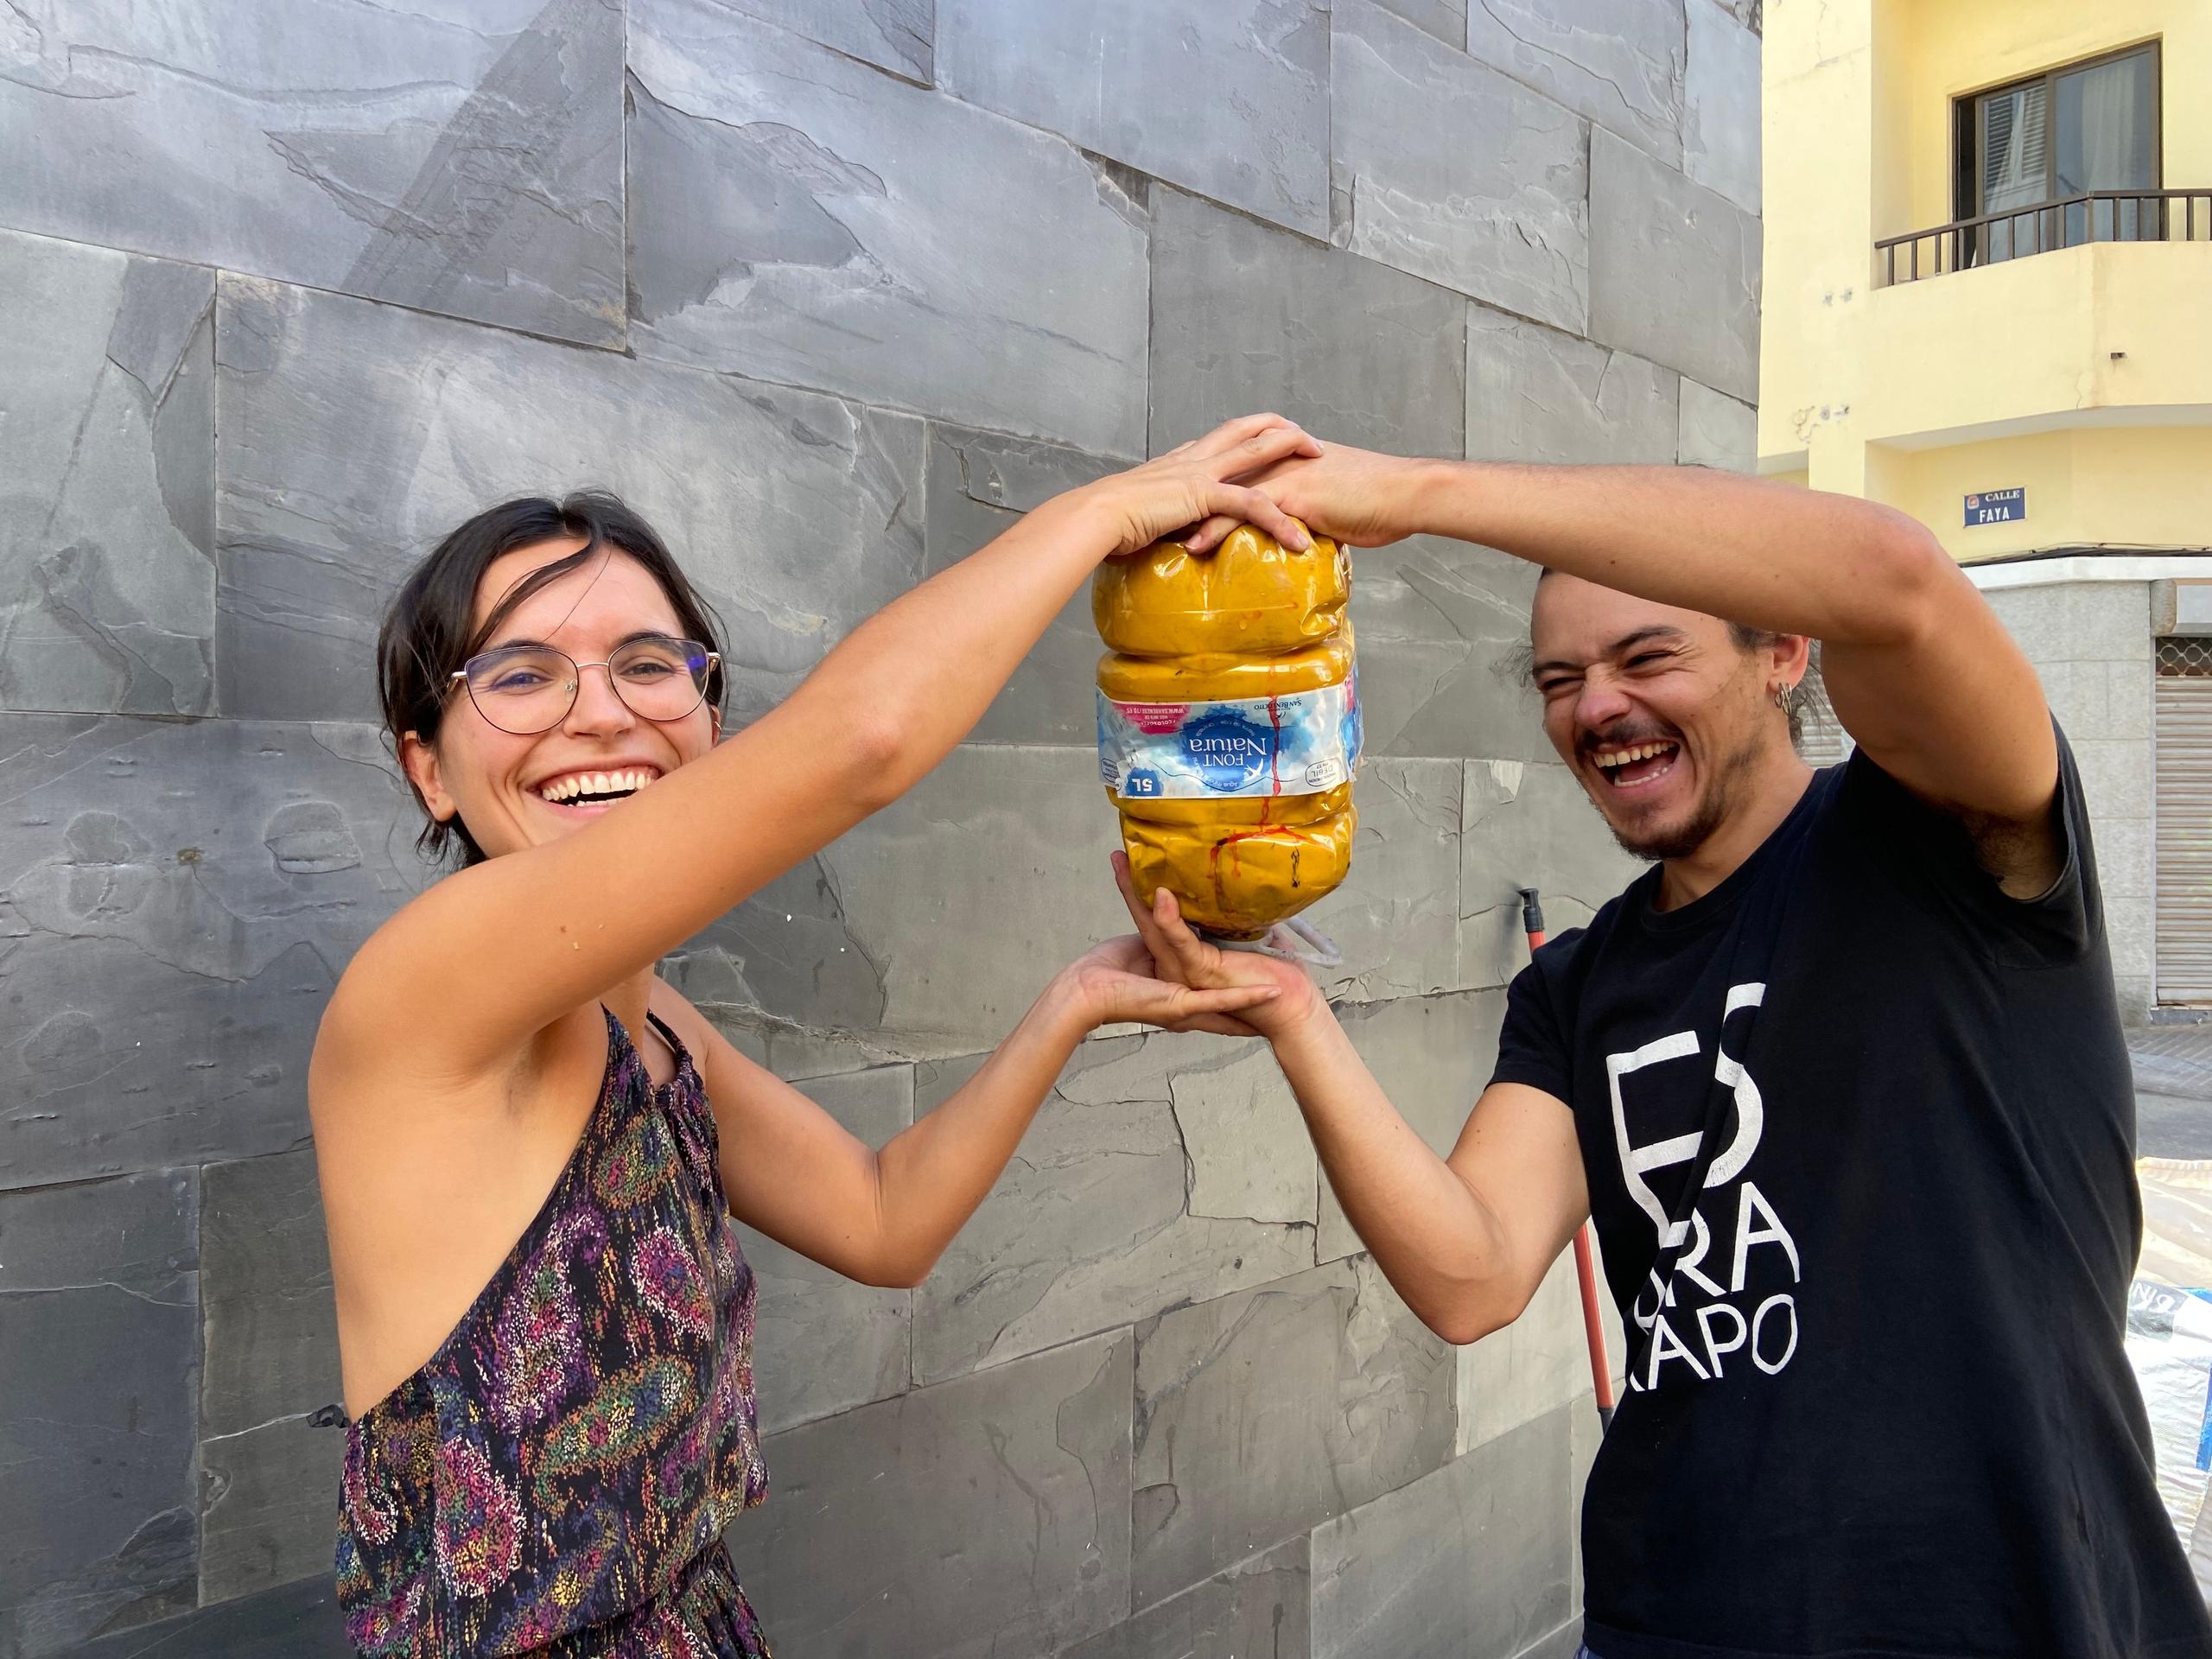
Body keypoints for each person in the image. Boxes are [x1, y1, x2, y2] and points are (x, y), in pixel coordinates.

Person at [1109, 445, 2212, 1658]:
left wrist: (1410, 499)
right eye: (1560, 678)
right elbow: (1472, 1275)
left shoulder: (1941, 834)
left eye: (1648, 657)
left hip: (2010, 1611)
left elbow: (1896, 580)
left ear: (1785, 652)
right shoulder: (1578, 986)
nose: (1596, 710)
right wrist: (1291, 1016)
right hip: (1674, 1618)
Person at [309, 414, 1321, 1657]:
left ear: (711, 717)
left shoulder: (652, 1023)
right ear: (428, 768)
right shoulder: (422, 989)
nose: (602, 715)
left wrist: (1077, 999)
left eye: (648, 663)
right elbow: (865, 740)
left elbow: (881, 1218)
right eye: (521, 675)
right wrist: (1106, 512)